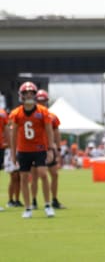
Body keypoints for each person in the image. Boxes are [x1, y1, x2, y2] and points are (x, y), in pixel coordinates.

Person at [8, 82, 56, 218]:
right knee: (24, 178)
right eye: (26, 93)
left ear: (35, 95)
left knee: (43, 174)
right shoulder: (16, 113)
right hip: (23, 149)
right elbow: (13, 134)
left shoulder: (42, 111)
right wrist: (13, 153)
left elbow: (49, 130)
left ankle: (47, 204)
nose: (28, 95)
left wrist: (51, 148)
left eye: (31, 93)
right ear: (21, 96)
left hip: (39, 148)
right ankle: (28, 207)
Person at [31, 89, 65, 210]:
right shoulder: (31, 115)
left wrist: (58, 147)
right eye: (40, 101)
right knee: (35, 176)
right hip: (35, 149)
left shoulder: (52, 116)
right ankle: (33, 200)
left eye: (44, 101)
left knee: (54, 174)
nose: (42, 103)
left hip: (49, 149)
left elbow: (56, 131)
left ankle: (54, 199)